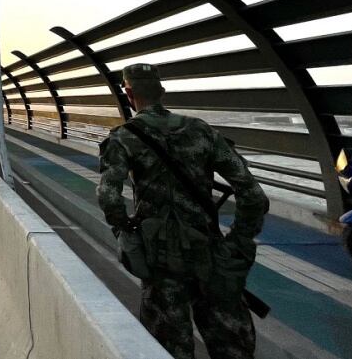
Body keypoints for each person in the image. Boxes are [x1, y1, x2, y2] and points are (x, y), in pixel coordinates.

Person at [97, 63, 269, 359]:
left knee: (168, 349)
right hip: (210, 255)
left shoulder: (124, 137)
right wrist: (238, 241)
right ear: (162, 92)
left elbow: (108, 196)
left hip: (160, 262)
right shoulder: (202, 131)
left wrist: (127, 234)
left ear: (128, 94)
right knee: (233, 348)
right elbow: (253, 194)